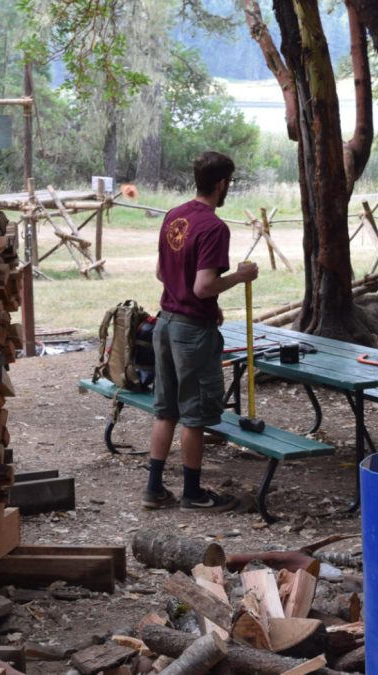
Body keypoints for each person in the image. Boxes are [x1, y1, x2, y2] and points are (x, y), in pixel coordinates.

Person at [143, 151, 259, 512]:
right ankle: (193, 493)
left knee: (166, 410)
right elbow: (203, 286)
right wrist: (240, 276)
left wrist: (206, 303)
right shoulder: (213, 227)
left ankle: (154, 488)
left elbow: (164, 274)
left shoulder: (174, 215)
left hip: (164, 323)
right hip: (192, 333)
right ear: (222, 184)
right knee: (193, 414)